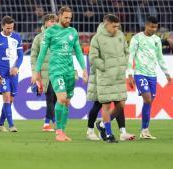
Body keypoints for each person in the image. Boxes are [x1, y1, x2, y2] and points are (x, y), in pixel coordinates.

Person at [36, 6, 88, 142]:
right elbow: (41, 53)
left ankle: (62, 131)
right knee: (62, 98)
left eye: (70, 18)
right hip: (56, 70)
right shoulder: (50, 32)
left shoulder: (73, 32)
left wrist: (84, 69)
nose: (68, 20)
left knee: (67, 102)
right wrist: (37, 71)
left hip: (69, 70)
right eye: (65, 17)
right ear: (59, 16)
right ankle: (58, 131)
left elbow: (78, 51)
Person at [128, 16, 171, 139]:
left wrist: (167, 74)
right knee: (147, 99)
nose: (153, 29)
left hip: (152, 75)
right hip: (140, 73)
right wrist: (129, 74)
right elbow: (131, 56)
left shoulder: (157, 40)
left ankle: (145, 130)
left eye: (155, 27)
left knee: (149, 102)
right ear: (146, 25)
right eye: (151, 26)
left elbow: (160, 58)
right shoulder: (137, 38)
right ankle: (144, 130)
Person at [89, 14, 129, 143]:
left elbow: (126, 52)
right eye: (114, 26)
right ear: (106, 24)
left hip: (118, 76)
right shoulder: (97, 38)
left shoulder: (120, 36)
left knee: (121, 104)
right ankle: (109, 134)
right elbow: (93, 57)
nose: (116, 28)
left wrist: (123, 65)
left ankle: (101, 125)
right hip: (105, 77)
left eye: (118, 26)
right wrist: (105, 67)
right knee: (105, 105)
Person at [0, 16, 23, 132]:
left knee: (11, 99)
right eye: (8, 28)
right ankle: (11, 125)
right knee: (6, 97)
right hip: (2, 74)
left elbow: (21, 56)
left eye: (12, 28)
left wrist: (16, 67)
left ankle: (0, 123)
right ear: (2, 26)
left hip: (14, 74)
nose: (10, 30)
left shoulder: (17, 37)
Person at [30, 14, 57, 132]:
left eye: (55, 21)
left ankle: (46, 123)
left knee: (56, 98)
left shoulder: (60, 37)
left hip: (57, 71)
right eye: (51, 21)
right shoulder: (39, 38)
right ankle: (57, 123)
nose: (54, 24)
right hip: (44, 74)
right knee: (50, 96)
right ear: (45, 23)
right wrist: (35, 72)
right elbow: (33, 56)